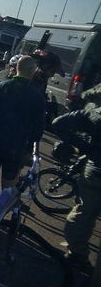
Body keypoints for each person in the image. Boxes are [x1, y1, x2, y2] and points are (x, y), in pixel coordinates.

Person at [0, 54, 47, 215]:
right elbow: (38, 131)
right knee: (8, 188)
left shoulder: (1, 86)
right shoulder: (38, 98)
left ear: (16, 69)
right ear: (32, 71)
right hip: (16, 148)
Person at [51, 105, 101, 269]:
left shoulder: (93, 111)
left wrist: (86, 148)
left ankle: (77, 253)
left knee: (83, 213)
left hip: (95, 171)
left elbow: (59, 123)